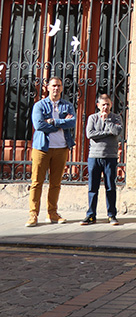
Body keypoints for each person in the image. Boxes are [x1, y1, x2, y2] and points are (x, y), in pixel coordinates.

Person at [27, 76, 76, 227]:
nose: (56, 88)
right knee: (37, 182)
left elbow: (72, 121)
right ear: (47, 87)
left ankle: (52, 213)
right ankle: (33, 215)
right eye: (53, 85)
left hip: (61, 148)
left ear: (62, 88)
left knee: (56, 183)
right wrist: (61, 125)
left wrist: (54, 122)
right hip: (42, 148)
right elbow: (39, 125)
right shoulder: (39, 106)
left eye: (59, 86)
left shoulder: (67, 106)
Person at [81, 94, 124, 226]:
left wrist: (107, 122)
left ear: (111, 105)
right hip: (94, 156)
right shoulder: (92, 118)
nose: (105, 107)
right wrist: (107, 133)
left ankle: (111, 215)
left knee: (110, 187)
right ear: (98, 105)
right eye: (103, 104)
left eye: (108, 104)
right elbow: (90, 134)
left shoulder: (116, 118)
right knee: (92, 187)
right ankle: (91, 215)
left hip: (110, 157)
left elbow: (117, 132)